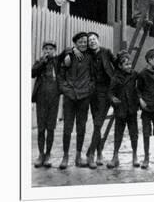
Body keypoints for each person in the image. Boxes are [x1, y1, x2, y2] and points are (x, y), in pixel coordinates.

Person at [57, 32, 95, 169]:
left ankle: (78, 156)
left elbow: (94, 76)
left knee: (81, 127)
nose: (84, 44)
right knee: (67, 127)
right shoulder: (68, 55)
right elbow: (60, 75)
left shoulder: (90, 56)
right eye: (80, 42)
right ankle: (65, 156)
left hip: (84, 96)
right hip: (70, 97)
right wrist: (65, 89)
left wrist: (89, 89)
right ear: (75, 43)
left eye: (85, 41)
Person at [85, 31, 116, 169]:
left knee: (98, 123)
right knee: (97, 122)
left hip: (105, 92)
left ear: (98, 40)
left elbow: (117, 62)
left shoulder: (106, 52)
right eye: (89, 40)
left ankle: (90, 154)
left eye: (94, 39)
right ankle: (98, 153)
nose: (92, 41)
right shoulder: (87, 55)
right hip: (92, 93)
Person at [107, 51, 140, 169]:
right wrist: (112, 98)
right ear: (120, 66)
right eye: (126, 64)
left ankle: (135, 156)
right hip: (120, 110)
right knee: (118, 134)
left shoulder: (134, 75)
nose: (129, 66)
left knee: (134, 133)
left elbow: (142, 84)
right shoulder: (115, 78)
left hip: (132, 109)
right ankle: (115, 157)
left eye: (130, 64)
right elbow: (110, 92)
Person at [31, 41, 61, 168]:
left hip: (53, 98)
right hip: (41, 98)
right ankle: (40, 154)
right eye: (46, 49)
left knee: (51, 128)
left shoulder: (57, 62)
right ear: (43, 50)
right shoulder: (39, 62)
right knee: (41, 128)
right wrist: (42, 61)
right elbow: (32, 73)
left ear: (54, 50)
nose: (48, 51)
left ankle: (48, 154)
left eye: (51, 49)